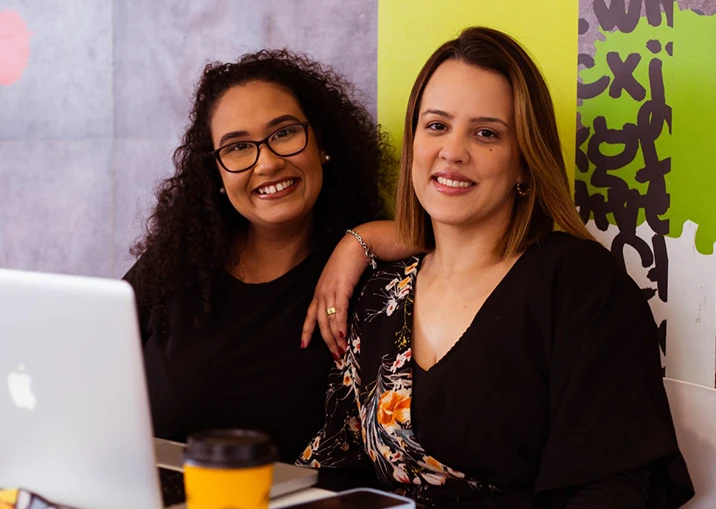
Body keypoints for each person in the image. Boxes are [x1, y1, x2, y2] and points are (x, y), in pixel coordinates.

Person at [297, 27, 694, 508]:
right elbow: (338, 468)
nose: (453, 151)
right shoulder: (381, 293)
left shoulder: (581, 285)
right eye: (436, 125)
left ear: (525, 162)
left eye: (486, 133)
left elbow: (612, 487)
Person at [123, 49, 396, 462]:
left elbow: (469, 237)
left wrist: (362, 240)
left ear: (322, 143)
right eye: (237, 147)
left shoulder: (367, 279)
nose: (266, 163)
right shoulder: (175, 267)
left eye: (284, 133)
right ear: (216, 173)